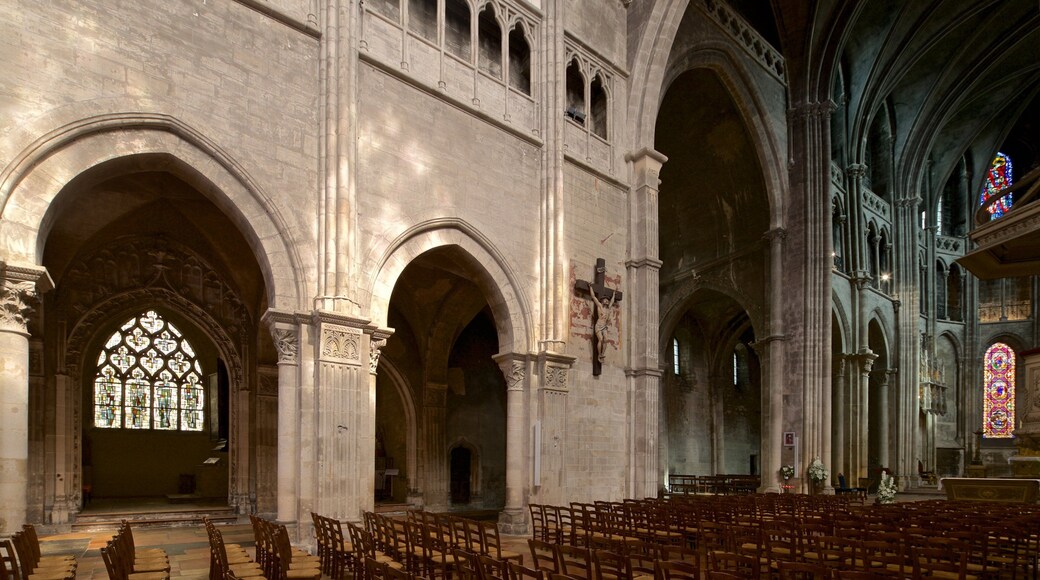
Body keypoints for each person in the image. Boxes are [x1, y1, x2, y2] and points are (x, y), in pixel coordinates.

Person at [592, 289, 617, 362]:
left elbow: (612, 301)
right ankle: (599, 354)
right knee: (601, 339)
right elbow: (593, 297)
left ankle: (602, 354)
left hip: (604, 326)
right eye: (605, 300)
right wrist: (590, 287)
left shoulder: (608, 308)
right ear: (602, 301)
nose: (607, 301)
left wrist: (614, 294)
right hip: (599, 325)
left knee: (606, 340)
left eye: (607, 300)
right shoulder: (600, 306)